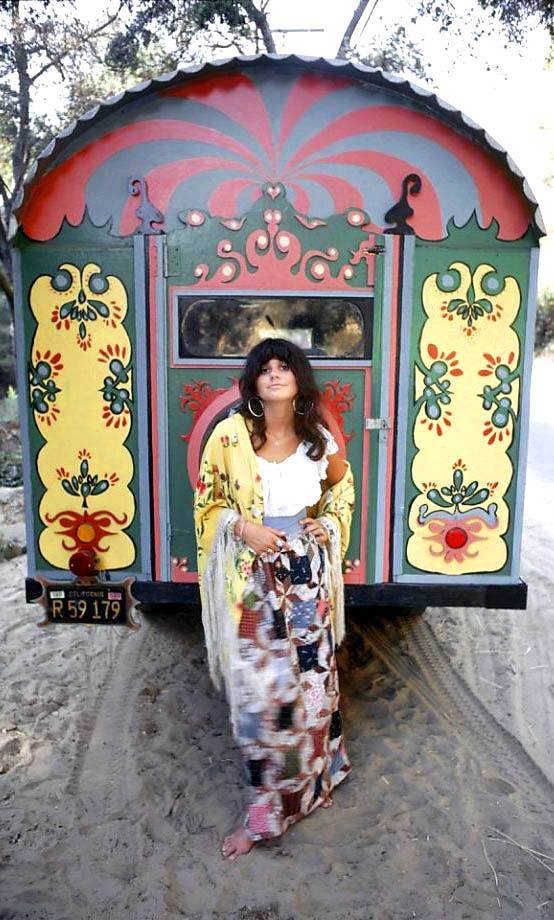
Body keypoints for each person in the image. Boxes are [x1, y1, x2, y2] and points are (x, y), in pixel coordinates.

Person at [193, 337, 355, 861]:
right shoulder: (229, 437)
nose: (275, 374)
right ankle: (263, 815)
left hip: (306, 576)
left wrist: (328, 523)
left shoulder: (316, 439)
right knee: (260, 698)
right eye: (265, 368)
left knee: (313, 686)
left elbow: (342, 487)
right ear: (254, 382)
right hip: (253, 578)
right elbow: (207, 501)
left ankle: (317, 782)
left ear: (298, 378)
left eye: (285, 366)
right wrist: (244, 528)